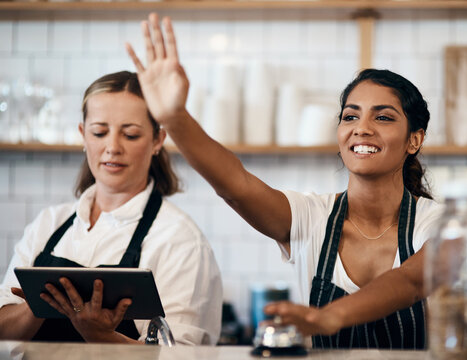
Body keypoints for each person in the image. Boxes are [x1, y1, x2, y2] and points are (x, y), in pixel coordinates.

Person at [126, 13, 444, 349]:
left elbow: (411, 281)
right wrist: (175, 118)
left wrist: (331, 316)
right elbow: (236, 185)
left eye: (383, 117)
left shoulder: (439, 224)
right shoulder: (312, 217)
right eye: (350, 116)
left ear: (414, 140)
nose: (361, 128)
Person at [0, 71, 222, 345]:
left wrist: (100, 336)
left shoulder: (180, 240)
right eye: (99, 132)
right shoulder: (48, 224)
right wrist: (40, 305)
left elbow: (182, 354)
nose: (112, 147)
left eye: (130, 134)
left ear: (157, 141)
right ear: (83, 135)